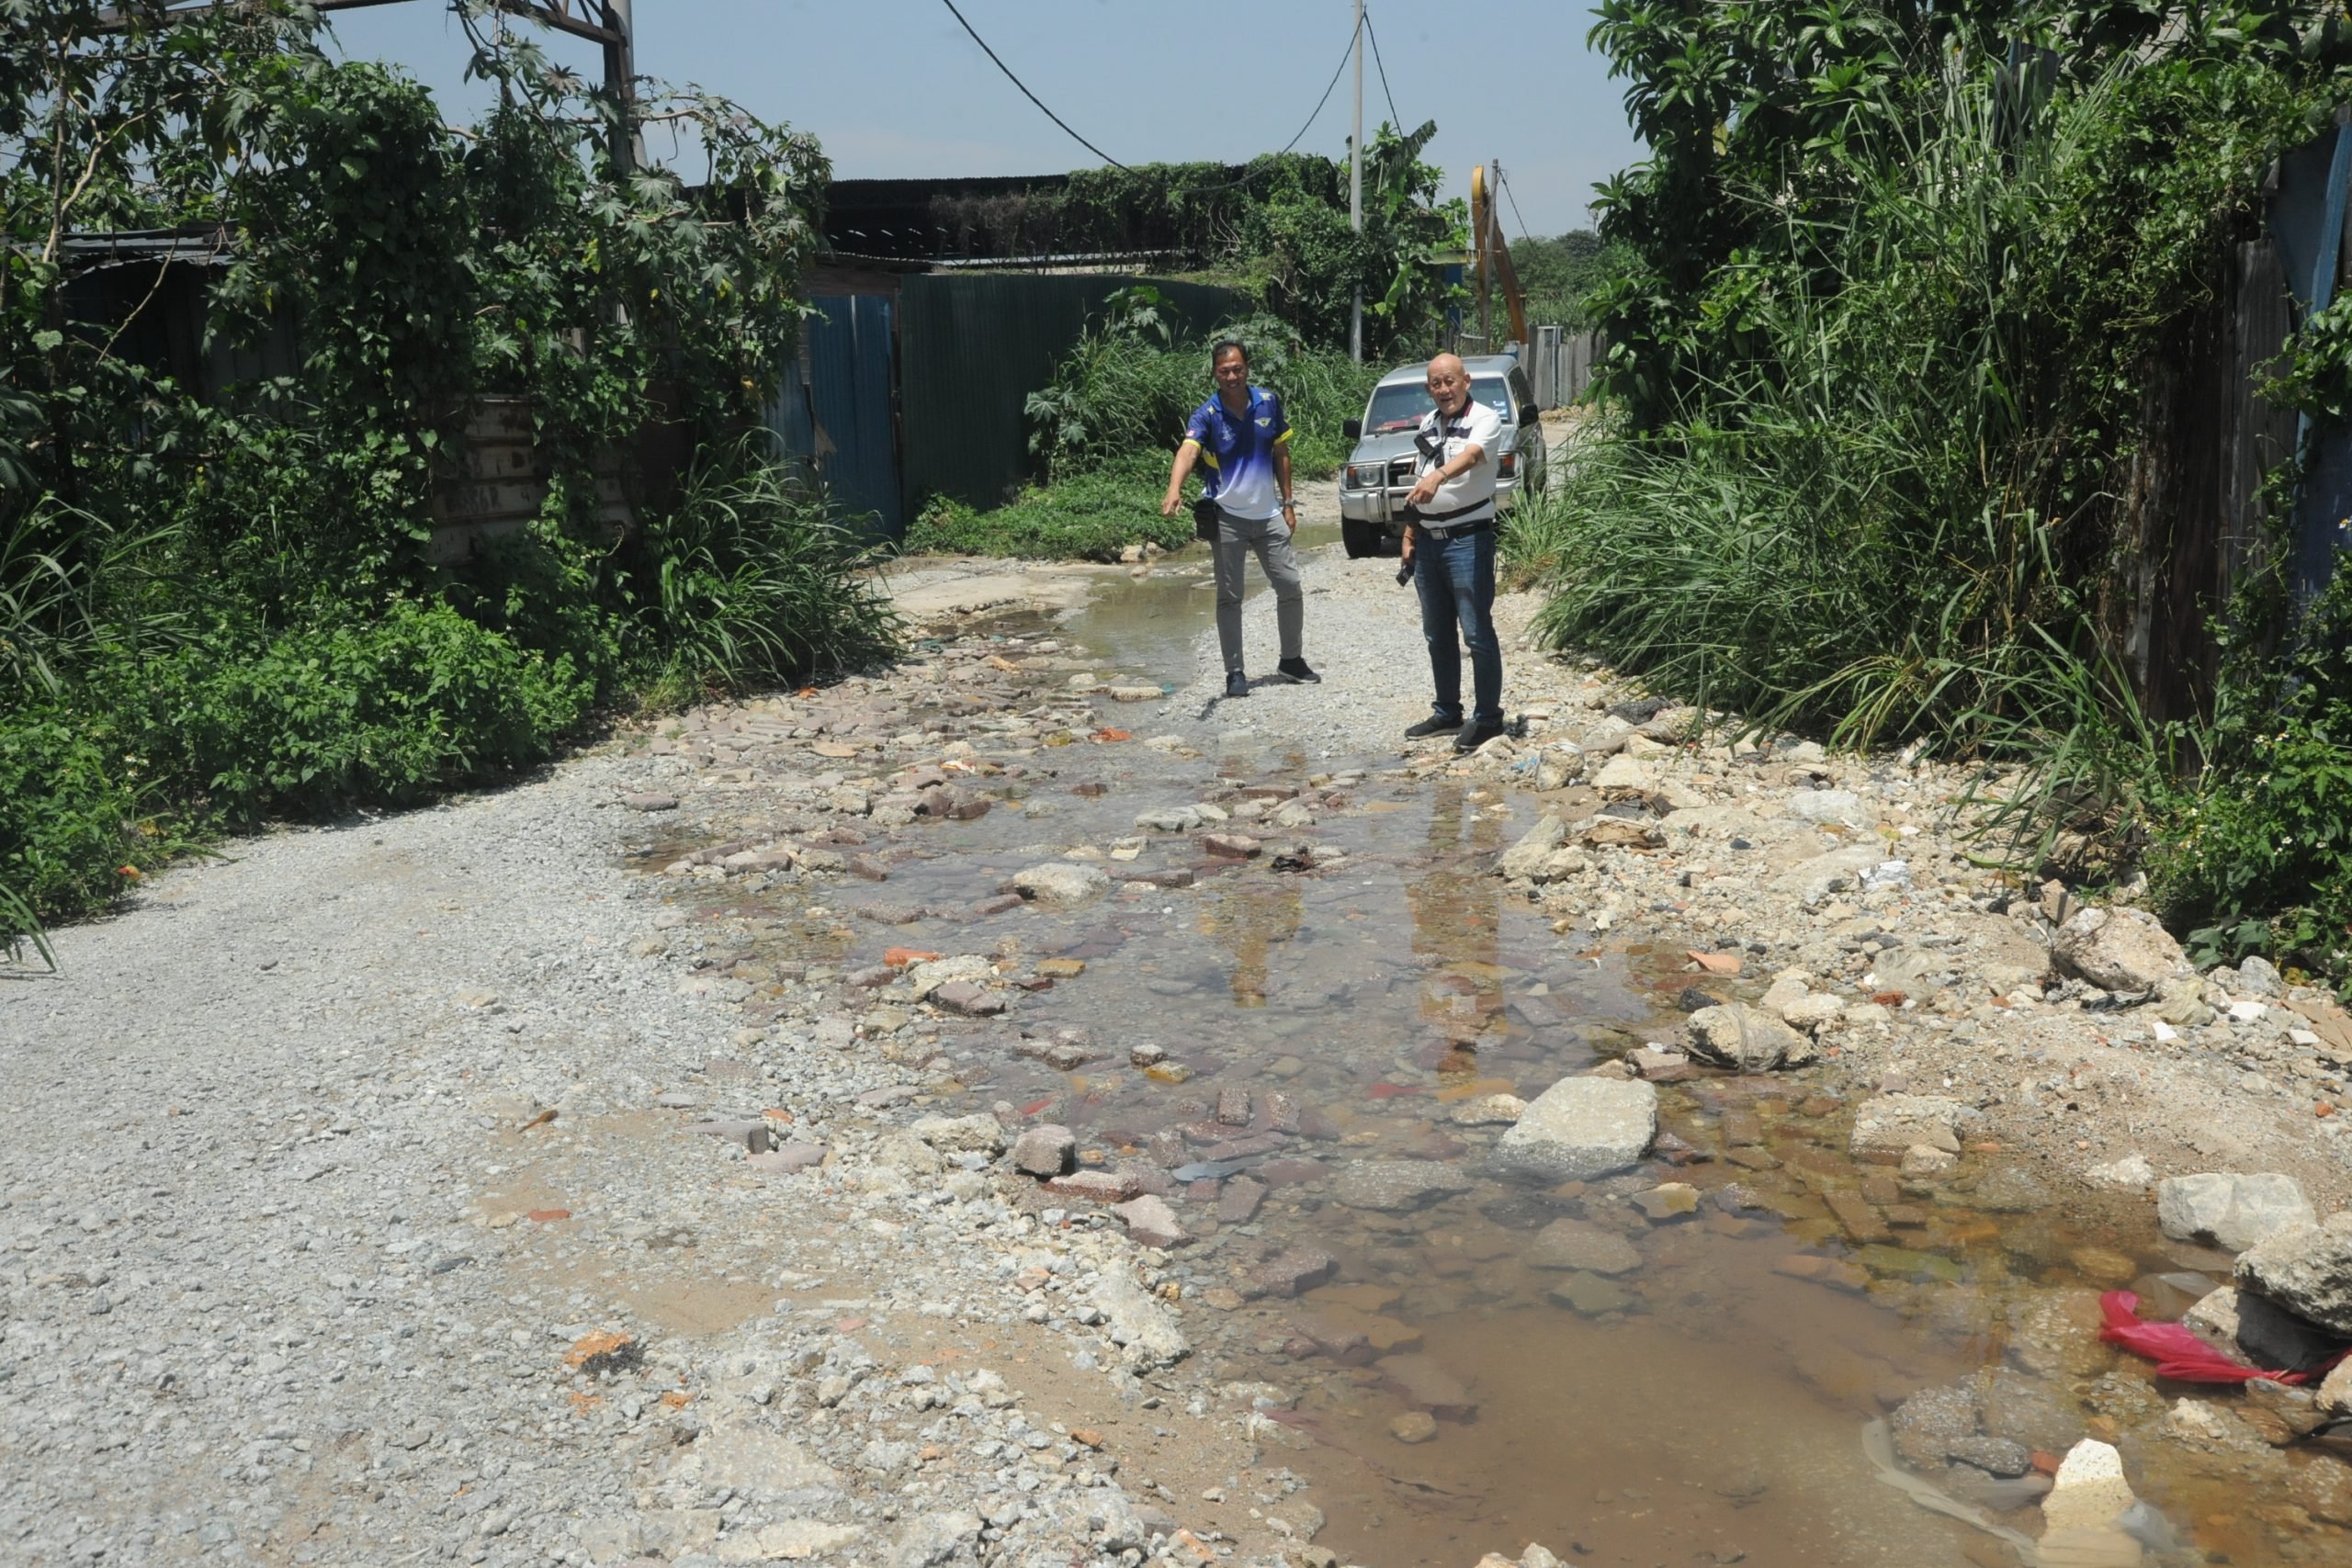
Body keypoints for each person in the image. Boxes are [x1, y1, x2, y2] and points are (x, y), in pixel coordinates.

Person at [1159, 341, 1317, 698]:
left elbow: (1281, 451)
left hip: (1269, 515)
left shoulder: (1268, 402)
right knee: (1230, 597)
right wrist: (1174, 488)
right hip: (1227, 517)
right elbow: (1188, 451)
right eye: (1224, 371)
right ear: (1215, 374)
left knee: (1290, 586)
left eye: (1237, 369)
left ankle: (1291, 660)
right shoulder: (1207, 414)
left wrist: (1288, 502)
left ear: (1247, 368)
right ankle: (1235, 672)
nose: (1232, 376)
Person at [1399, 353, 1506, 751]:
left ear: (1466, 381)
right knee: (1437, 633)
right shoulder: (1429, 422)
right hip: (1428, 541)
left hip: (1468, 540)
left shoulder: (1486, 419)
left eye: (1450, 381)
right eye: (1436, 384)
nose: (1444, 390)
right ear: (1429, 389)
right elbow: (1419, 481)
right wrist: (1410, 532)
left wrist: (1441, 476)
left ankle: (1489, 719)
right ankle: (1447, 713)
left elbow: (1472, 456)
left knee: (1476, 633)